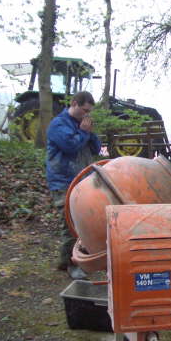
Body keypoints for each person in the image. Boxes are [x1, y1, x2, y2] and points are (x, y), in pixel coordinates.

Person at [46, 91, 101, 280]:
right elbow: (69, 146)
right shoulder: (58, 124)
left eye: (88, 112)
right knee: (71, 223)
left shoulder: (82, 124)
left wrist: (90, 134)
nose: (85, 115)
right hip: (63, 181)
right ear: (74, 103)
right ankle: (72, 264)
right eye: (83, 110)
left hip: (83, 181)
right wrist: (84, 132)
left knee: (82, 221)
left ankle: (66, 260)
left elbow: (96, 148)